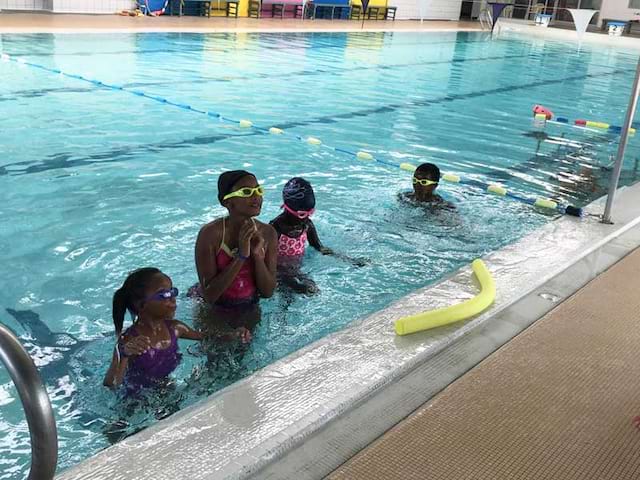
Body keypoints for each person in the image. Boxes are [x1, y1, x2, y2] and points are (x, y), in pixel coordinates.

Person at [193, 170, 277, 333]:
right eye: (246, 192)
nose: (256, 197)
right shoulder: (210, 234)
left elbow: (268, 292)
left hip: (249, 307)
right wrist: (242, 255)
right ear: (227, 202)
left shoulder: (268, 233)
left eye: (258, 190)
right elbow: (210, 295)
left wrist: (257, 256)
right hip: (214, 312)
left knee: (245, 354)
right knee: (216, 356)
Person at [103, 267, 207, 391]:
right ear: (141, 305)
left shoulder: (176, 328)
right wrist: (124, 354)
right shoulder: (130, 341)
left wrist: (232, 336)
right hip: (137, 397)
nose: (173, 298)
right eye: (164, 294)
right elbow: (112, 384)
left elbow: (207, 338)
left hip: (167, 387)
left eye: (172, 291)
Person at [269, 177, 331, 295]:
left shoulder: (306, 224)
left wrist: (347, 259)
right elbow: (268, 262)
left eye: (310, 212)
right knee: (290, 293)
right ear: (287, 208)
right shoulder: (275, 228)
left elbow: (319, 247)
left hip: (297, 268)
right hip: (279, 271)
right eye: (302, 214)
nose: (307, 218)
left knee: (311, 286)